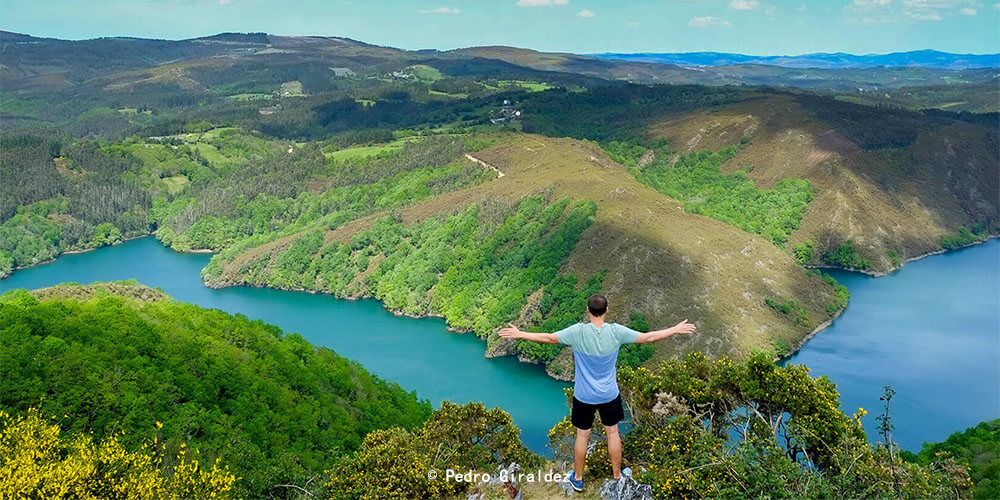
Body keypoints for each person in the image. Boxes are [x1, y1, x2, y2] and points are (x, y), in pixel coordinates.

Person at [498, 294, 696, 492]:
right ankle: (617, 476)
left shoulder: (577, 332)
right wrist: (674, 330)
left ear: (588, 310)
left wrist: (520, 334)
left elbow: (548, 338)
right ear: (607, 310)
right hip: (609, 394)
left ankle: (578, 478)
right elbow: (647, 337)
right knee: (613, 433)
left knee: (582, 436)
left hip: (584, 395)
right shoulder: (616, 332)